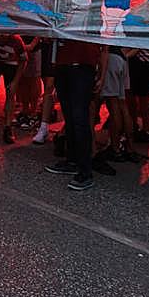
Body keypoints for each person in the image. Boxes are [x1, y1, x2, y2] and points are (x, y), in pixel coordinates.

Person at [44, 39, 103, 191]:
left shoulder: (91, 15)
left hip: (82, 66)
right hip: (63, 65)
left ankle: (85, 171)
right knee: (69, 117)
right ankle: (72, 161)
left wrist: (101, 73)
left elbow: (103, 40)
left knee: (79, 118)